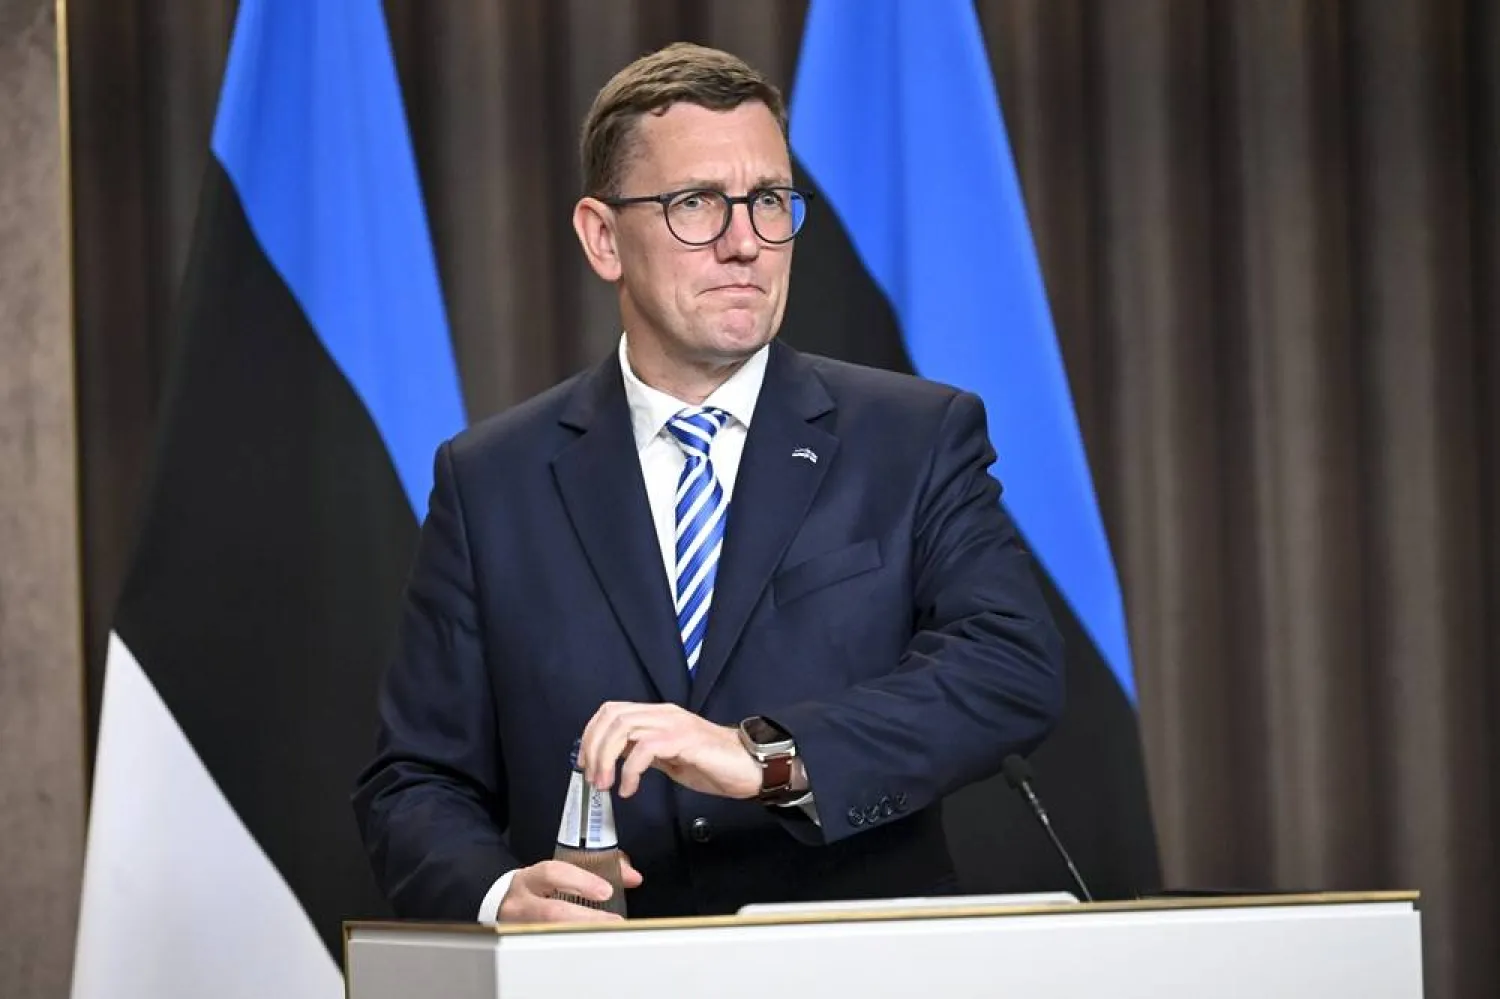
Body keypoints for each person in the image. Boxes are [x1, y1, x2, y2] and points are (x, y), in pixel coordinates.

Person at [351, 41, 1065, 924]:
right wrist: (503, 897)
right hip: (600, 982)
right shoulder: (491, 480)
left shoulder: (914, 437)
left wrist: (764, 756)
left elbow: (1010, 668)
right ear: (602, 237)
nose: (745, 244)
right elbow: (414, 778)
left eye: (768, 201)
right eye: (697, 204)